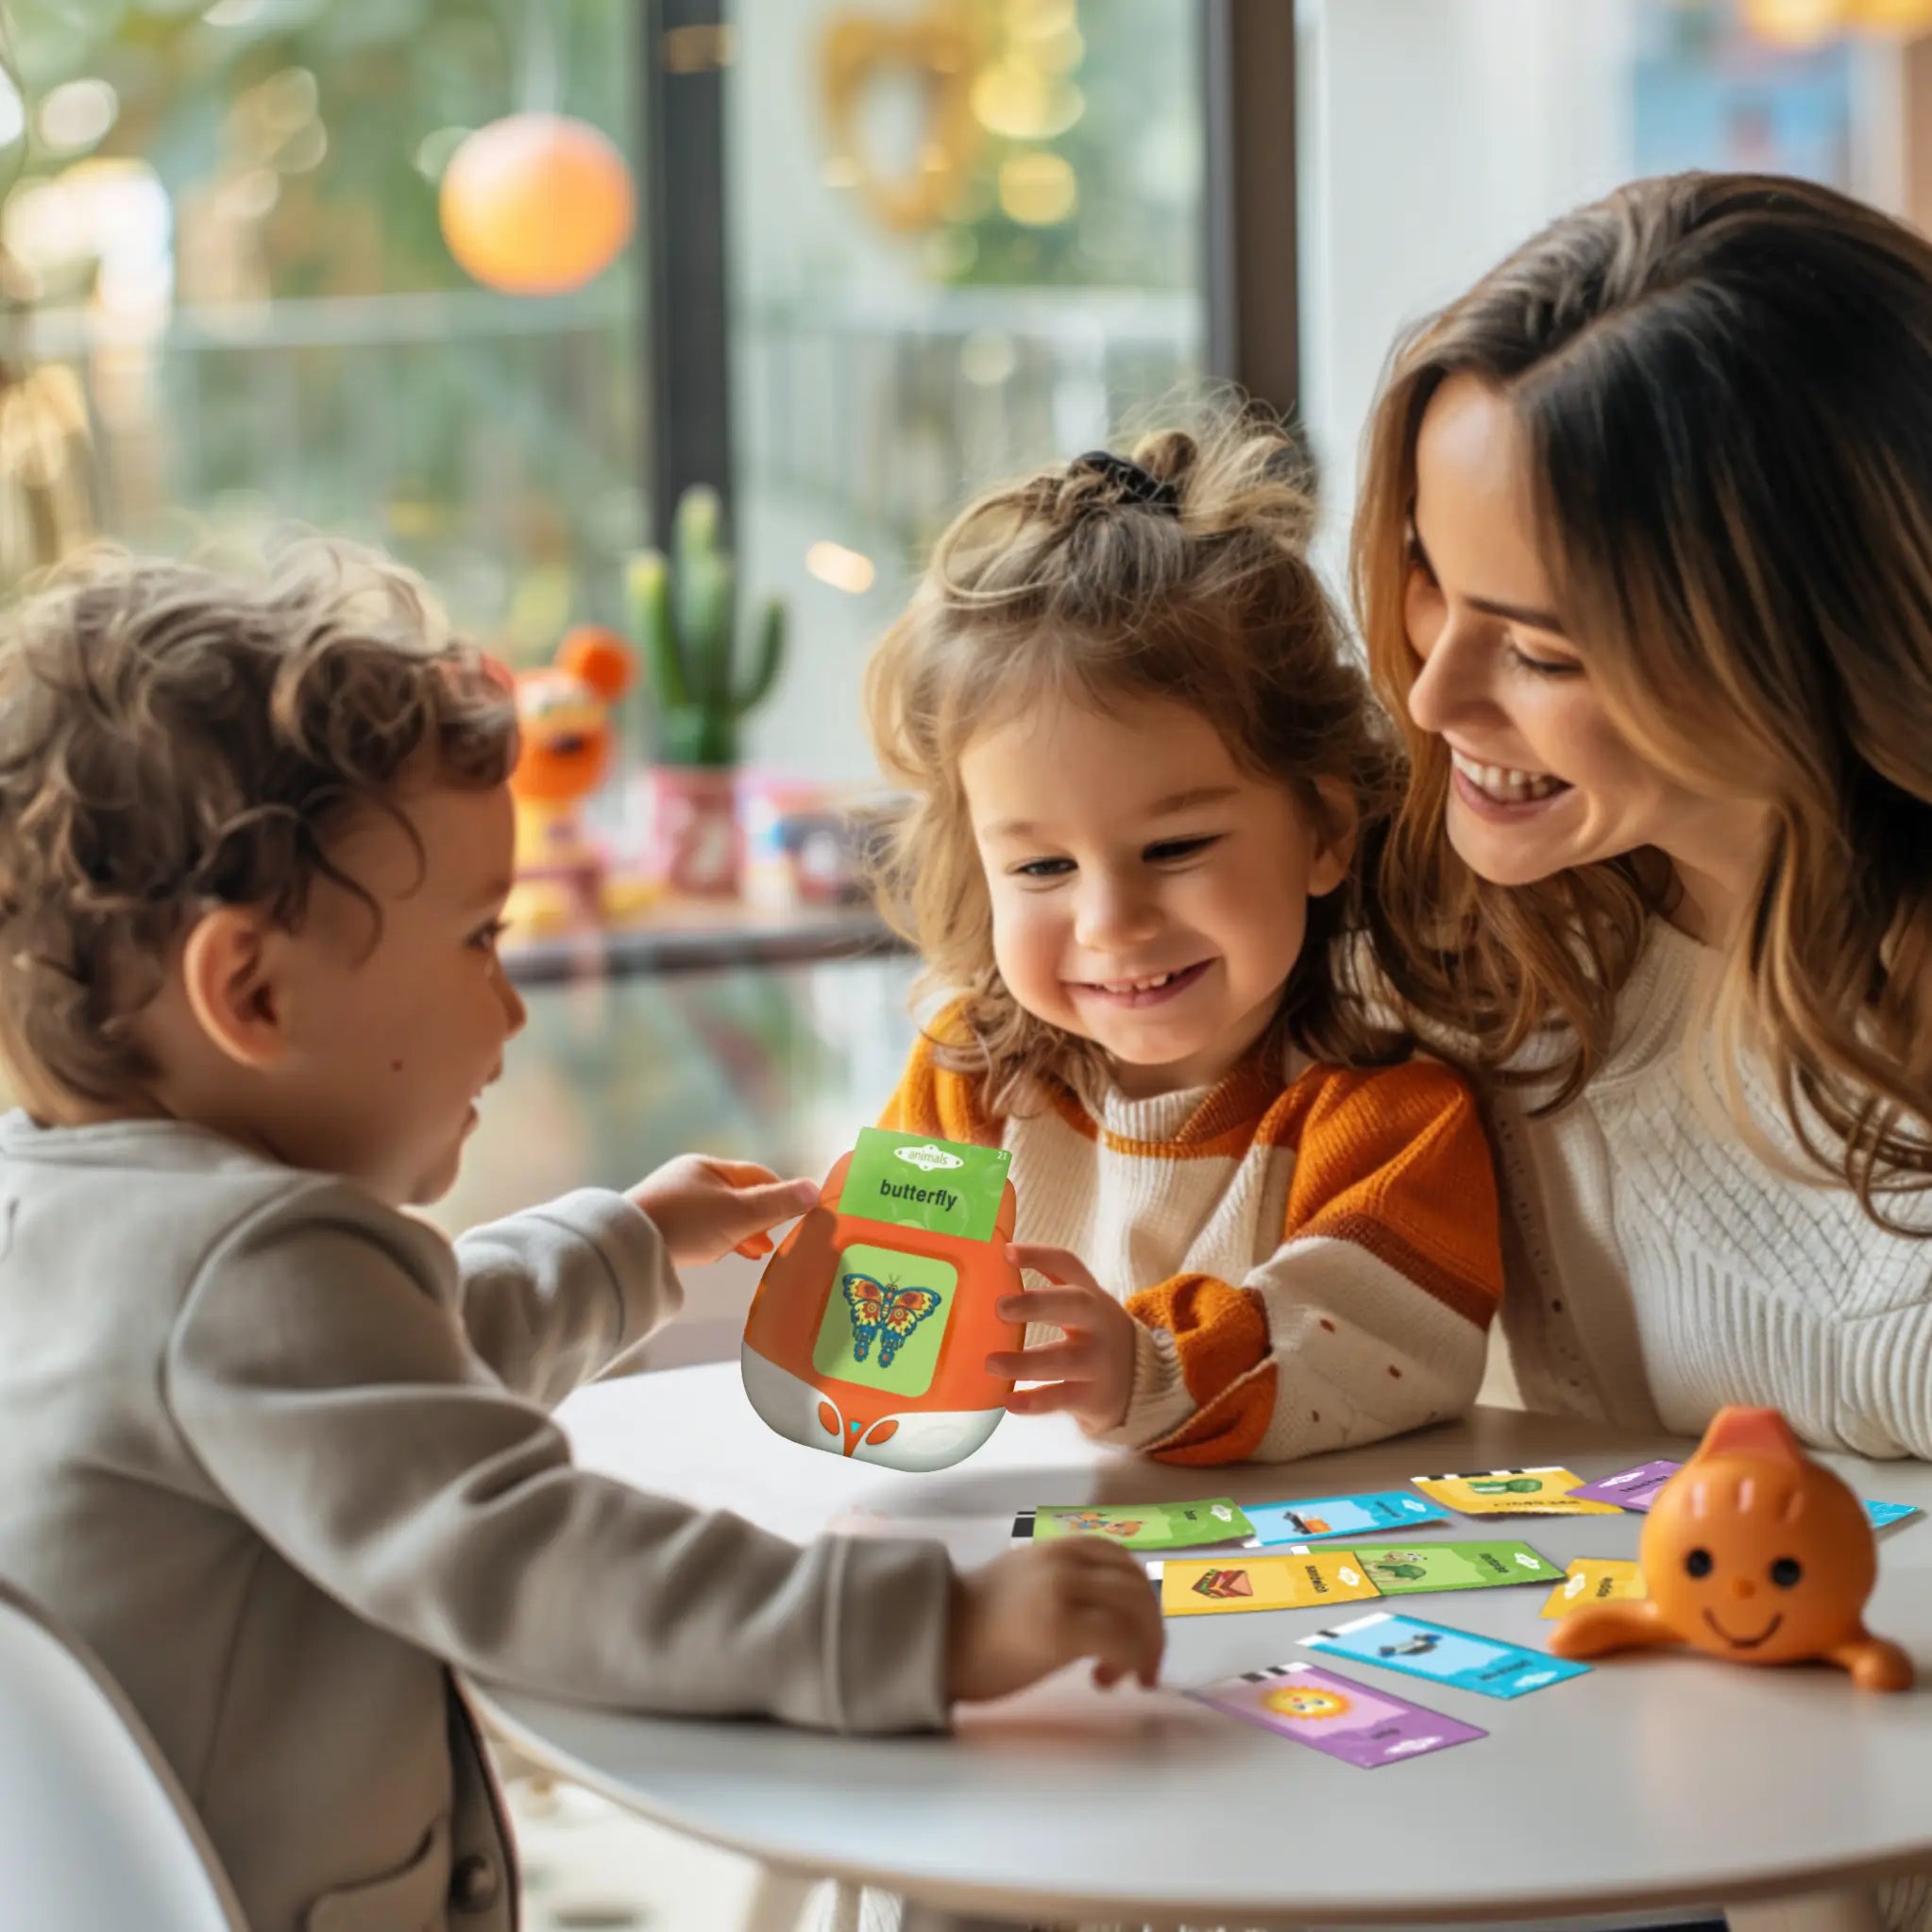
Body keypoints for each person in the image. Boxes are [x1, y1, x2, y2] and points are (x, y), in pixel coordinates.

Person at [0, 543, 1164, 1932]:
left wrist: (623, 1246)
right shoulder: (246, 1270)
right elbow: (526, 1553)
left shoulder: (73, 1219)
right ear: (250, 990)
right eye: (476, 941)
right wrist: (932, 1628)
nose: (511, 1007)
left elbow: (391, 1386)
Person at [1353, 170, 1932, 1467]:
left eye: (1541, 653)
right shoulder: (1451, 953)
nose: (1435, 696)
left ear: (1806, 648)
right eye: (1429, 576)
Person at [864, 418, 1503, 1466]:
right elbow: (878, 1330)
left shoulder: (1387, 1119)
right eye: (1042, 867)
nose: (1110, 922)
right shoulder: (964, 1083)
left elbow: (1384, 1351)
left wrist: (1149, 1366)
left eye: (1174, 847)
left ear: (1324, 832)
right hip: (1028, 1548)